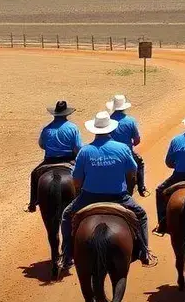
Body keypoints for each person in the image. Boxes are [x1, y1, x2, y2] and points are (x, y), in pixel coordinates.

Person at [59, 111, 155, 270]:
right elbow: (132, 171)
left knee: (66, 215)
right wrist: (126, 186)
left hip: (89, 197)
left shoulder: (85, 151)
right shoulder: (123, 148)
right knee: (142, 215)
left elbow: (77, 179)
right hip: (119, 197)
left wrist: (79, 191)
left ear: (94, 129)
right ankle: (144, 252)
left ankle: (66, 253)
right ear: (110, 129)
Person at [26, 100, 83, 213]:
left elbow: (42, 145)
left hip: (49, 160)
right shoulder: (73, 128)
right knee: (83, 175)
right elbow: (78, 147)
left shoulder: (46, 129)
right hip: (68, 159)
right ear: (66, 114)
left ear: (54, 114)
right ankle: (83, 201)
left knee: (34, 174)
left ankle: (32, 203)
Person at [106, 94, 149, 197]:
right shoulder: (130, 121)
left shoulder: (108, 120)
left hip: (110, 152)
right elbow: (137, 140)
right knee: (140, 163)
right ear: (124, 107)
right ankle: (141, 187)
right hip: (126, 153)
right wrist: (131, 144)